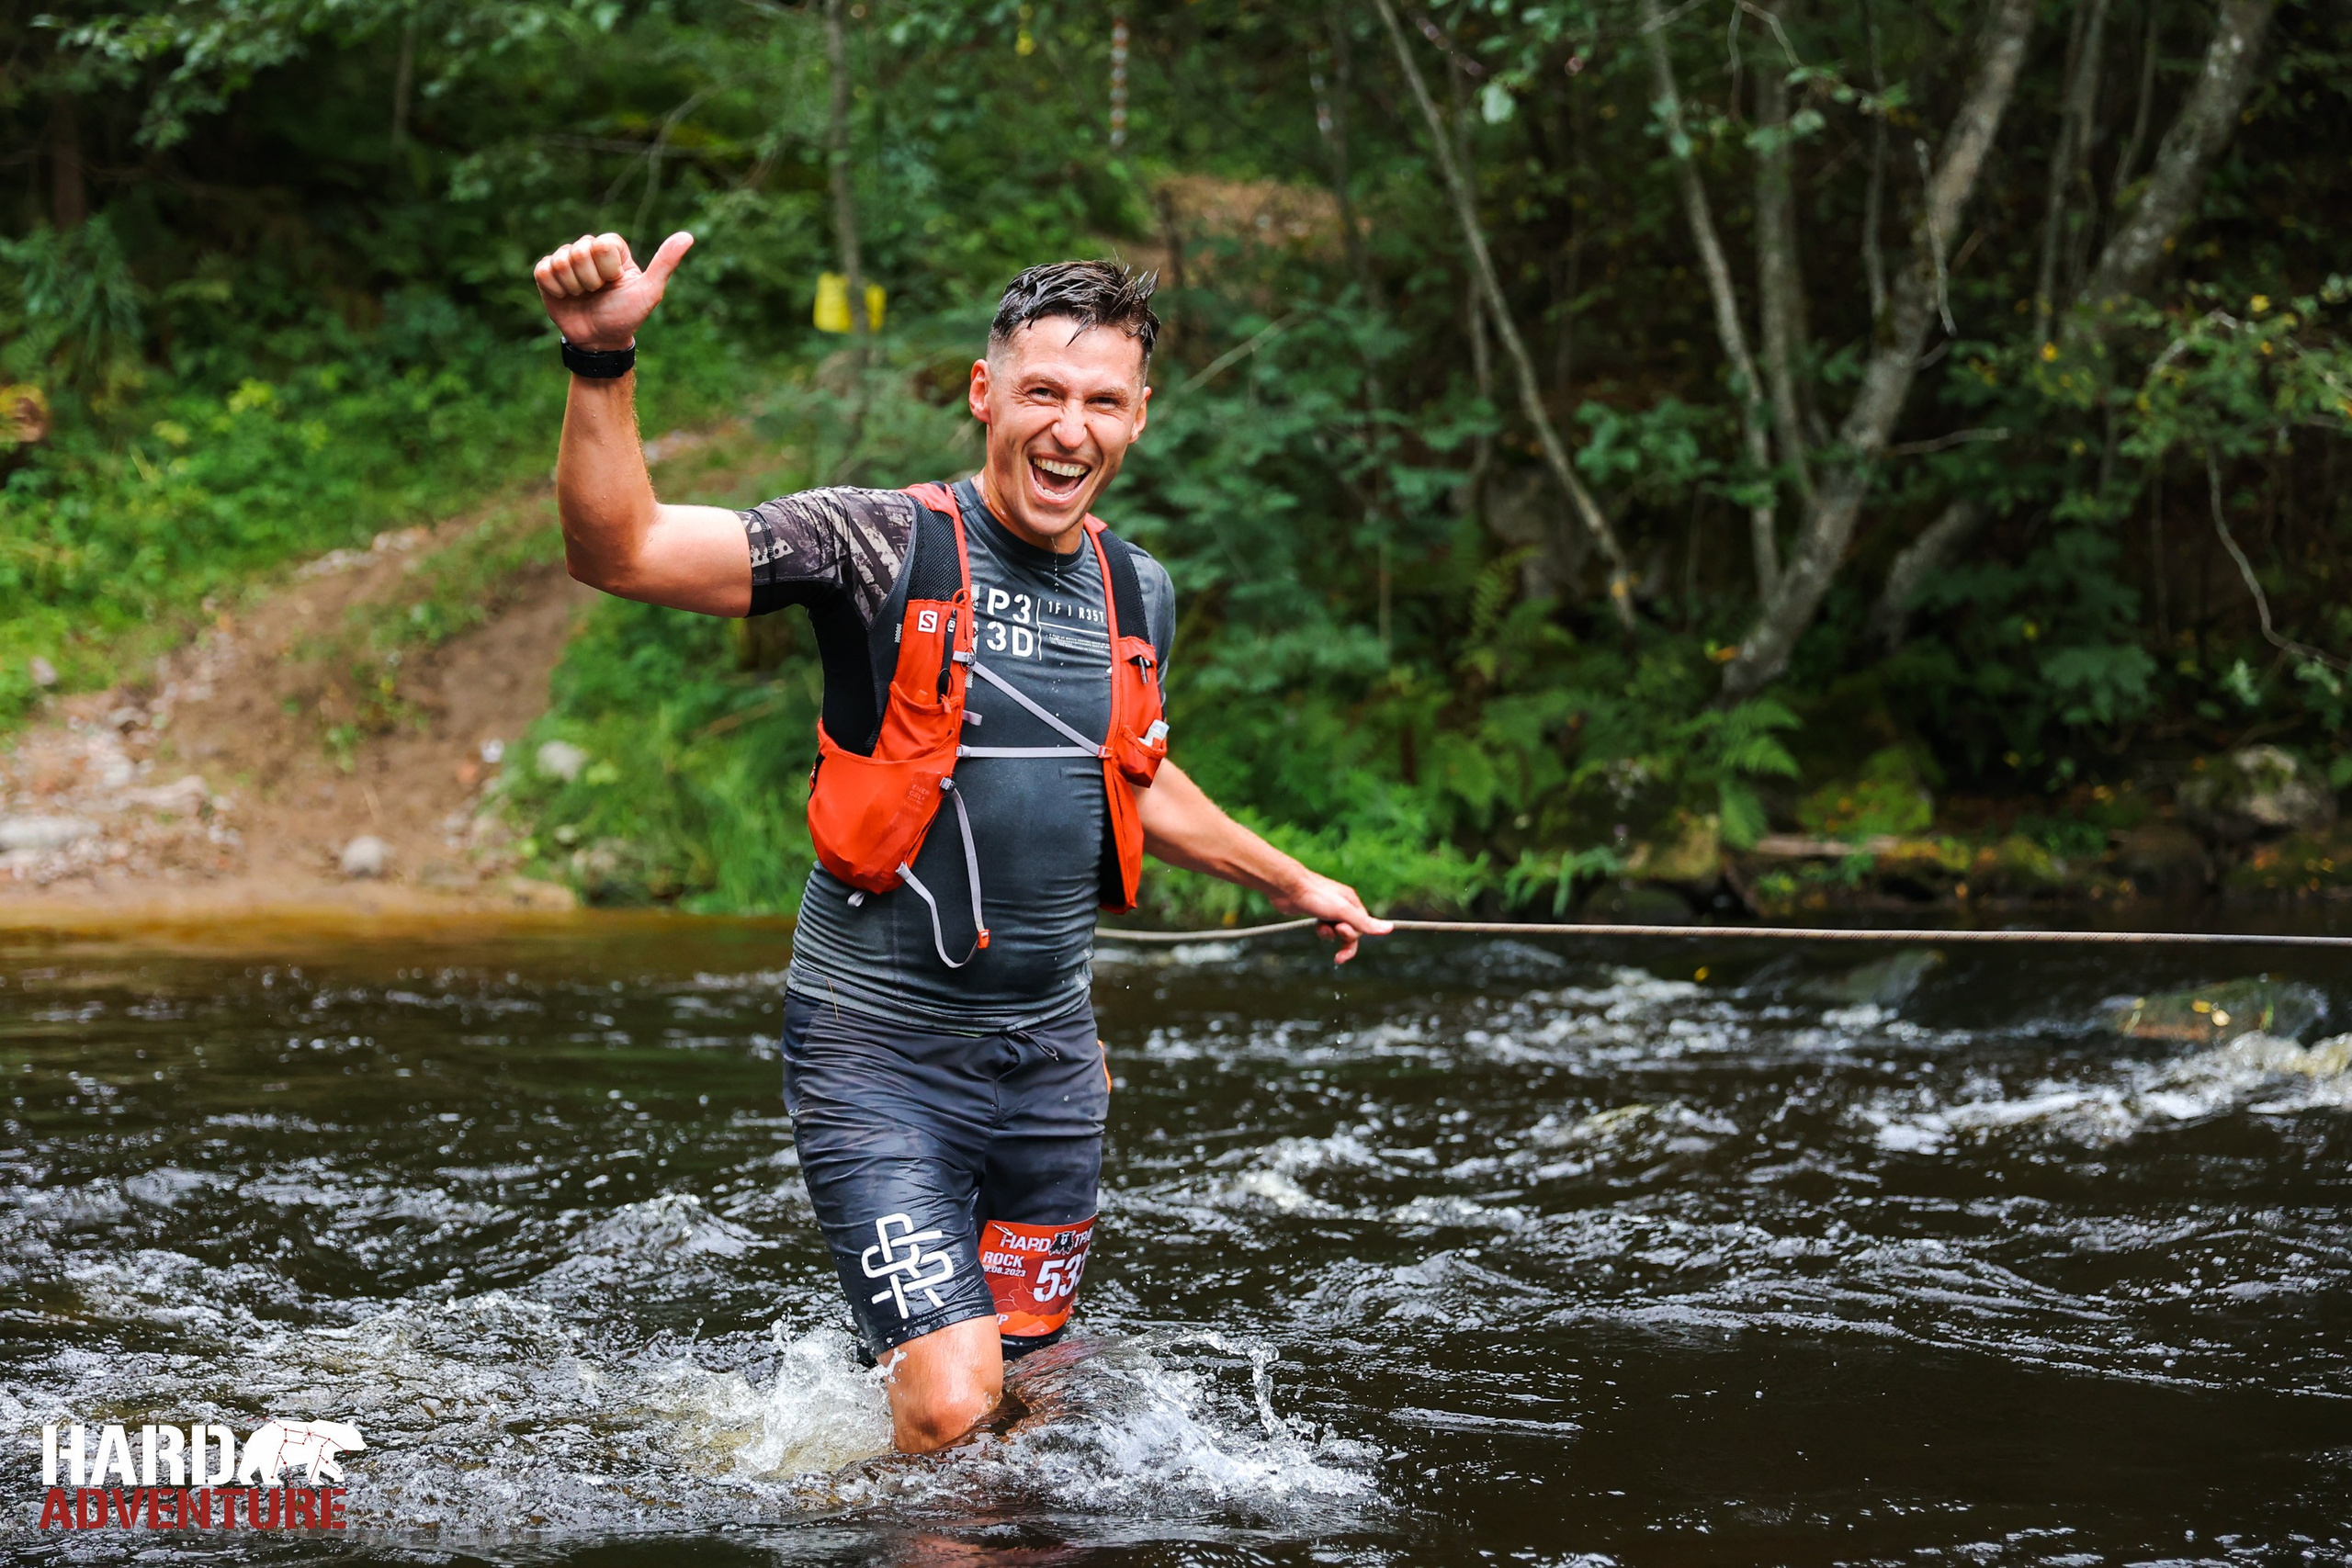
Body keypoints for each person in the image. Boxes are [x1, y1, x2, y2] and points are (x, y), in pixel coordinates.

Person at [532, 229, 1389, 1454]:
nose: (1070, 429)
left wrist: (1296, 879)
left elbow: (1130, 776)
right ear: (985, 393)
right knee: (950, 1404)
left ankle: (891, 1499)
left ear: (1140, 417)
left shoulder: (1138, 591)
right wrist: (601, 360)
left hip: (1051, 1073)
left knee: (1031, 1408)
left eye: (1102, 402)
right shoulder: (874, 544)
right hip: (876, 1055)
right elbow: (619, 550)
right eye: (1043, 392)